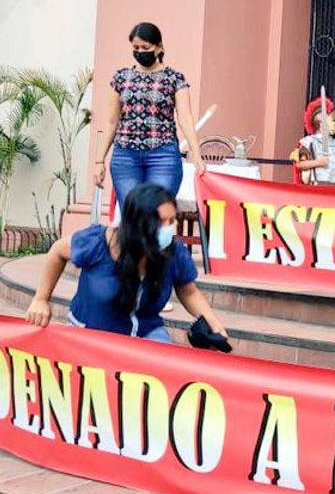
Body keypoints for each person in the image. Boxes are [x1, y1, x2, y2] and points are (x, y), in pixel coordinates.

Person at [26, 183, 229, 346]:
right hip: (90, 334)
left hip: (145, 334)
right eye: (162, 221)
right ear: (138, 223)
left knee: (165, 369)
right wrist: (41, 299)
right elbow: (57, 251)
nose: (171, 228)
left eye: (173, 220)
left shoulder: (173, 252)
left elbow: (188, 291)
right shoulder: (97, 243)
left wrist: (213, 323)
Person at [91, 22, 206, 203]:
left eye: (145, 47)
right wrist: (99, 161)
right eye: (135, 48)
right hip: (125, 156)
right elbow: (111, 122)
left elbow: (185, 118)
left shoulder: (174, 79)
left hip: (163, 155)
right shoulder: (121, 78)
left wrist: (196, 154)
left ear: (159, 47)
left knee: (157, 211)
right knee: (132, 212)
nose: (140, 52)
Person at [291, 97, 335, 185]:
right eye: (332, 120)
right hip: (316, 187)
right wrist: (318, 163)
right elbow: (299, 164)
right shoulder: (308, 143)